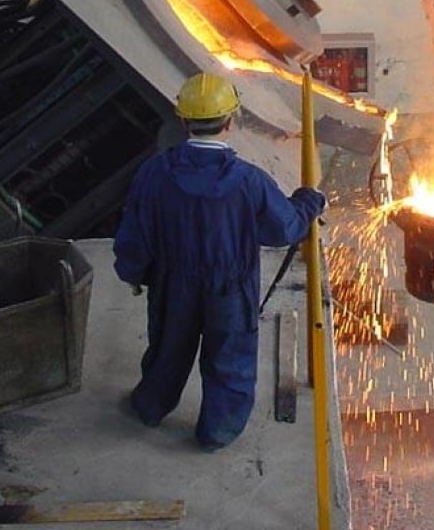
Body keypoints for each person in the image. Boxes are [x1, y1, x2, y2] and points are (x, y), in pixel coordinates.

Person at [113, 72, 326, 451]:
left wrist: (133, 272)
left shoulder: (155, 173)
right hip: (230, 287)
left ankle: (151, 406)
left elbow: (135, 230)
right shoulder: (249, 181)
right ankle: (217, 432)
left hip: (172, 282)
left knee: (166, 349)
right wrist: (310, 200)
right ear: (231, 121)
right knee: (230, 360)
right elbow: (284, 229)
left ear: (183, 120)